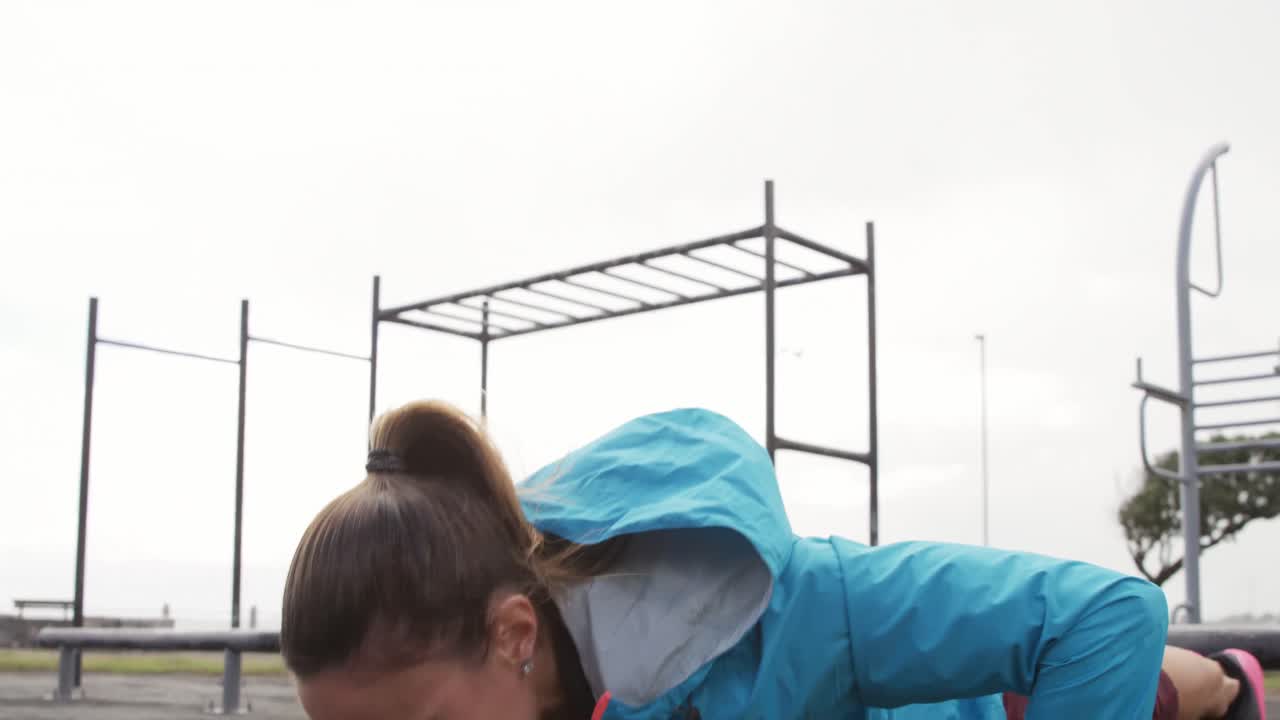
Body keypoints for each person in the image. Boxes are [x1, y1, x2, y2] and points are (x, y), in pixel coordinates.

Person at [281, 402, 1267, 719]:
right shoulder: (558, 690)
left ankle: (1227, 688)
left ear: (511, 633)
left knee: (1174, 686)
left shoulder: (799, 606)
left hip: (1002, 696)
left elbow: (1102, 616)